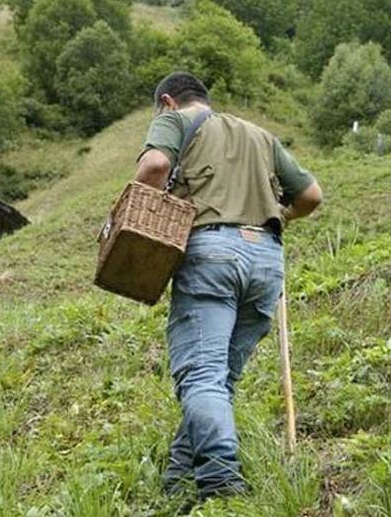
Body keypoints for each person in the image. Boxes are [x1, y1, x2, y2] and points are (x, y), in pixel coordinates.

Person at [134, 72, 323, 501]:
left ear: (167, 101)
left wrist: (137, 215)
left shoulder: (174, 119)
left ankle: (221, 483)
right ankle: (179, 485)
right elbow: (311, 196)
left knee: (201, 376)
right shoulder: (259, 135)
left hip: (211, 254)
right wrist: (277, 216)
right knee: (217, 382)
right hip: (266, 261)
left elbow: (154, 165)